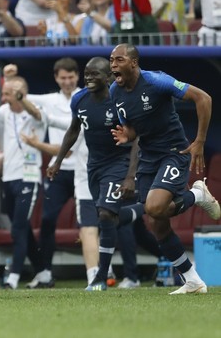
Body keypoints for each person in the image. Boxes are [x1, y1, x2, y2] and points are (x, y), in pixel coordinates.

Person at [110, 43, 220, 294]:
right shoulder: (115, 91)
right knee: (157, 223)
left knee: (155, 207)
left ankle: (197, 194)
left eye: (119, 60)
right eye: (111, 60)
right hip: (149, 157)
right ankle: (192, 280)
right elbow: (136, 128)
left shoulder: (157, 81)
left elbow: (204, 98)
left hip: (174, 152)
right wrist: (128, 135)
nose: (113, 65)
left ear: (134, 63)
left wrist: (199, 141)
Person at [44, 57, 140, 291]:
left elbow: (137, 137)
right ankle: (145, 208)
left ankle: (99, 278)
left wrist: (129, 176)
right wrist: (57, 161)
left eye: (95, 74)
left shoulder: (120, 100)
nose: (88, 78)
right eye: (86, 74)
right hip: (93, 166)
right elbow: (74, 129)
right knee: (107, 217)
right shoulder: (79, 99)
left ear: (108, 78)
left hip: (119, 162)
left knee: (106, 215)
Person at [0, 75, 45, 290]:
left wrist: (22, 98)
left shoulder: (35, 110)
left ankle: (13, 277)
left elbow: (36, 114)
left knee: (18, 228)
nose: (3, 97)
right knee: (20, 227)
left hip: (29, 176)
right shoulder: (4, 112)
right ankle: (43, 273)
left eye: (7, 93)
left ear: (20, 93)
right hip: (9, 177)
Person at [24, 57, 80, 288]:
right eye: (63, 77)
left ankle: (108, 271)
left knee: (101, 219)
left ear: (77, 76)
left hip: (83, 170)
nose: (67, 81)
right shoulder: (49, 99)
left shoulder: (85, 96)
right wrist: (13, 83)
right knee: (47, 219)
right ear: (56, 78)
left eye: (71, 77)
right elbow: (23, 98)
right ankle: (45, 271)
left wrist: (38, 145)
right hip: (59, 171)